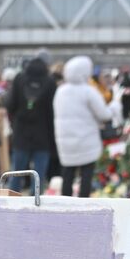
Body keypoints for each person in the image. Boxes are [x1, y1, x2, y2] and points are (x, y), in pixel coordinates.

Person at [53, 55, 111, 198]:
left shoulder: (61, 91)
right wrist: (114, 108)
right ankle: (83, 203)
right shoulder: (88, 91)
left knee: (68, 174)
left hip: (65, 141)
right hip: (86, 140)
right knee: (86, 175)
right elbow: (104, 114)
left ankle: (65, 203)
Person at [6, 53, 57, 185]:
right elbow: (52, 112)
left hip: (21, 132)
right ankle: (36, 202)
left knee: (16, 172)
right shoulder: (50, 82)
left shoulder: (19, 79)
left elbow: (10, 105)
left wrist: (14, 122)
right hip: (43, 133)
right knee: (39, 175)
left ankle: (11, 201)